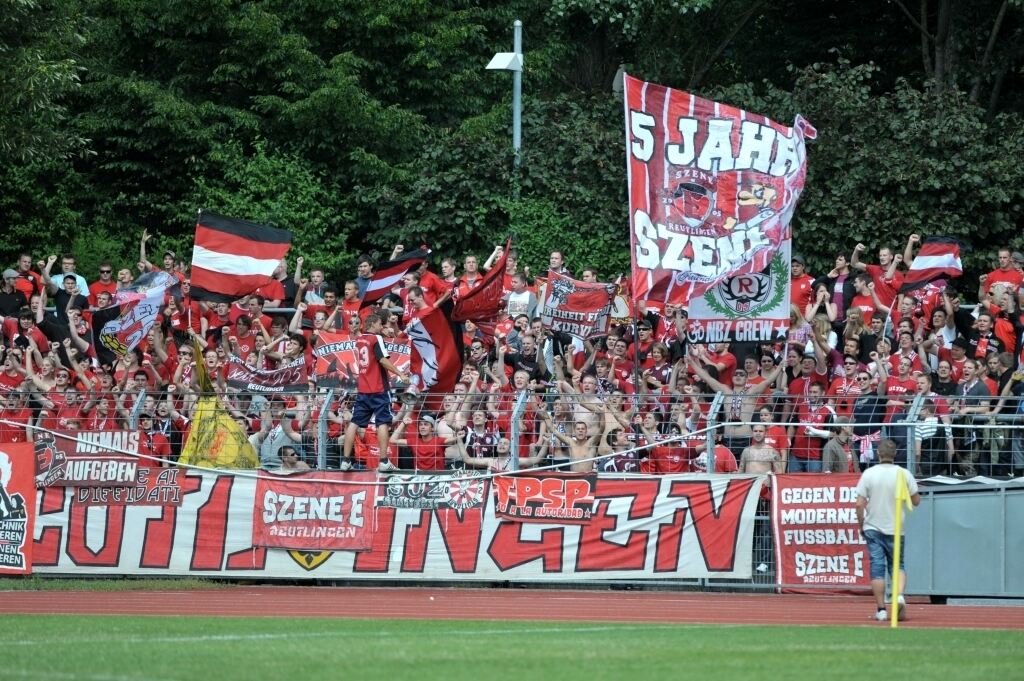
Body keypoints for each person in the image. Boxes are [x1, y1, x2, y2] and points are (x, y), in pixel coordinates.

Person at [856, 439, 921, 622]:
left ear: (878, 454)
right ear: (895, 455)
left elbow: (859, 503)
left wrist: (861, 523)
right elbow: (916, 501)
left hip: (873, 527)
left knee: (877, 568)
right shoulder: (903, 474)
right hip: (896, 528)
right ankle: (898, 595)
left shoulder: (869, 474)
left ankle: (881, 609)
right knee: (898, 565)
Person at [340, 311, 410, 472]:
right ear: (372, 324)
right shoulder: (375, 338)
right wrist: (400, 374)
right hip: (378, 388)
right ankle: (384, 461)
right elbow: (383, 360)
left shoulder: (359, 340)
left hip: (363, 388)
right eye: (380, 324)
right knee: (382, 422)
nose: (382, 327)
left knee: (355, 422)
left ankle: (345, 460)